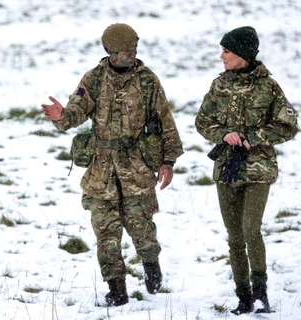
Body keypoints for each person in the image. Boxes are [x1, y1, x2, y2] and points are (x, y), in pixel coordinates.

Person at [41, 23, 184, 307]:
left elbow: (166, 121)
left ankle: (150, 261)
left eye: (133, 50)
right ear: (108, 51)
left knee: (141, 229)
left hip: (136, 168)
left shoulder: (147, 81)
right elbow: (75, 113)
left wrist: (168, 161)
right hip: (101, 172)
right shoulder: (93, 79)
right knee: (106, 234)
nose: (130, 56)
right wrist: (61, 116)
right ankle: (116, 289)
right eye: (123, 52)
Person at [195, 26, 299, 315]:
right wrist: (223, 134)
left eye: (227, 51)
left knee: (251, 230)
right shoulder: (219, 86)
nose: (221, 56)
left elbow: (290, 125)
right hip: (226, 170)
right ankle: (242, 296)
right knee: (234, 237)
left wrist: (254, 138)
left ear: (242, 53)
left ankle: (260, 292)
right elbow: (202, 121)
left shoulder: (269, 87)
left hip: (258, 170)